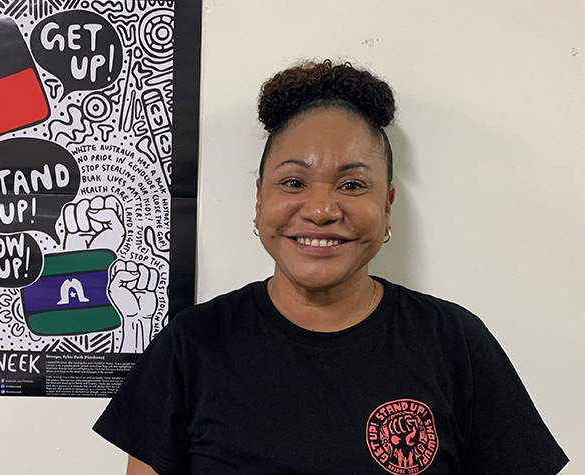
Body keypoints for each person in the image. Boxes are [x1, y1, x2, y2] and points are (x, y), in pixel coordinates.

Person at [94, 60, 569, 475]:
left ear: (387, 206)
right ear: (260, 201)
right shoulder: (192, 345)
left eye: (352, 185)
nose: (321, 209)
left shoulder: (453, 343)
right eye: (294, 181)